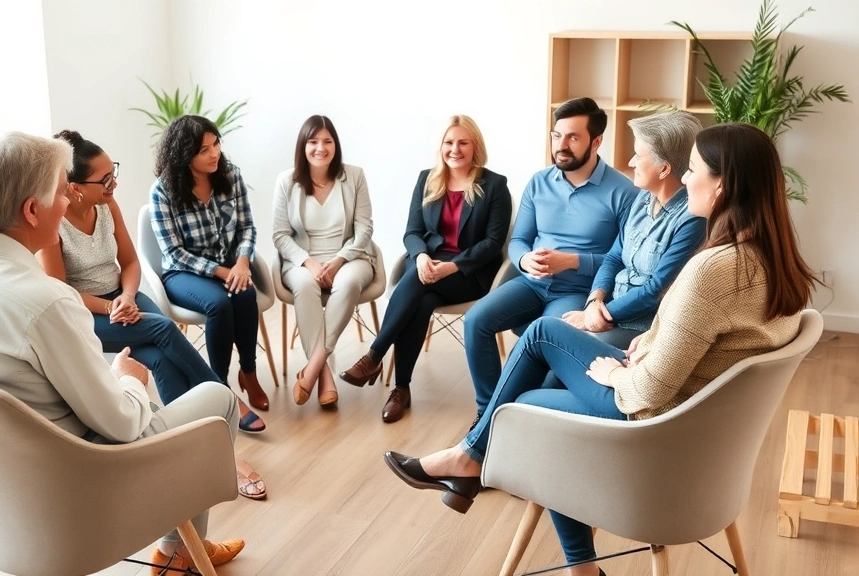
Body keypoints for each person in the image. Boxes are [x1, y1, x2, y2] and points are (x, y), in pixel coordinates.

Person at [383, 123, 817, 576]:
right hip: (696, 423)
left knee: (534, 377)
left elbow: (647, 390)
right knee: (544, 363)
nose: (686, 181)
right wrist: (640, 343)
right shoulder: (775, 260)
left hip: (655, 420)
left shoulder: (714, 268)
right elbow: (702, 343)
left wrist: (617, 372)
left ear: (723, 184)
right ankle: (476, 467)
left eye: (692, 171)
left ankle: (474, 464)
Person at [0, 132, 248, 574]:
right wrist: (127, 377)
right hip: (73, 494)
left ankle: (180, 543)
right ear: (32, 210)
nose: (66, 204)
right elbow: (122, 425)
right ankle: (177, 546)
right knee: (217, 400)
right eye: (58, 194)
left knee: (158, 355)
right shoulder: (46, 301)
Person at [37, 130, 266, 500]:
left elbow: (129, 261)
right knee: (161, 329)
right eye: (105, 178)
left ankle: (184, 452)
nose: (114, 183)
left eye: (114, 171)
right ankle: (225, 401)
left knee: (162, 359)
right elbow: (59, 291)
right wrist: (110, 306)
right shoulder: (54, 225)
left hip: (122, 297)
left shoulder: (107, 206)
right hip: (87, 312)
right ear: (75, 188)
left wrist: (126, 296)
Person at [463, 97, 639, 423]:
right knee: (475, 322)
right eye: (557, 135)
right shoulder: (539, 182)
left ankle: (514, 418)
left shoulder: (623, 192)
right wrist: (525, 259)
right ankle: (488, 412)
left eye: (573, 137)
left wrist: (573, 261)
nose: (561, 145)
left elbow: (623, 262)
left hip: (577, 293)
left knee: (530, 348)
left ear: (596, 141)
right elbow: (518, 240)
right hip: (531, 284)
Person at [339, 115, 512, 423]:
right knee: (423, 301)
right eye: (449, 142)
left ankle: (375, 355)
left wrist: (453, 267)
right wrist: (419, 257)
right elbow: (412, 232)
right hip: (427, 266)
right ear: (441, 147)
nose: (454, 149)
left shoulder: (495, 185)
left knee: (419, 287)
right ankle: (401, 388)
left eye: (463, 142)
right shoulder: (427, 179)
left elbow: (492, 242)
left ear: (476, 147)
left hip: (470, 273)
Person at [149, 115, 269, 412]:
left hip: (230, 263)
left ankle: (249, 374)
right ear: (184, 155)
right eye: (204, 150)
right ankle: (221, 388)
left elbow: (247, 228)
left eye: (216, 144)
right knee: (219, 304)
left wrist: (242, 263)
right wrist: (220, 271)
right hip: (184, 272)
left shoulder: (231, 175)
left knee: (245, 294)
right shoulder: (162, 191)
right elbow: (174, 252)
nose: (215, 153)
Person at [562, 111, 706, 350]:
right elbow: (614, 256)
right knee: (548, 350)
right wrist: (594, 300)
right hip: (610, 312)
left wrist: (600, 315)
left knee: (559, 345)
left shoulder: (692, 220)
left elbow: (656, 290)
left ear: (664, 169)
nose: (631, 163)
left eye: (638, 156)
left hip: (642, 329)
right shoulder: (642, 199)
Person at [273, 115, 375, 407]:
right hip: (302, 260)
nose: (320, 148)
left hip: (349, 255)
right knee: (305, 287)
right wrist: (309, 263)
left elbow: (365, 228)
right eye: (313, 141)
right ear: (303, 146)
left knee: (349, 282)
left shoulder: (354, 176)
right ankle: (324, 374)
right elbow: (280, 235)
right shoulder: (286, 181)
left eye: (327, 141)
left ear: (335, 144)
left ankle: (314, 365)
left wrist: (339, 260)